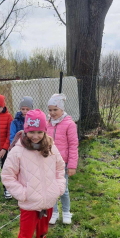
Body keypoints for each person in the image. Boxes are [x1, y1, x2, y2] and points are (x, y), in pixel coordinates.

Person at [0, 109, 66, 238]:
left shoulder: (51, 147)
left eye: (39, 132)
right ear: (26, 130)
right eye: (31, 131)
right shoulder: (18, 151)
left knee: (42, 234)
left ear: (44, 130)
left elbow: (60, 168)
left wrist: (58, 188)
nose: (35, 136)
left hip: (48, 203)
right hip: (29, 206)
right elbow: (7, 176)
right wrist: (23, 194)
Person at [47, 94, 79, 225]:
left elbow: (73, 145)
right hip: (48, 162)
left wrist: (72, 165)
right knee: (51, 188)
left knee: (63, 189)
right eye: (50, 110)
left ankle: (66, 212)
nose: (52, 113)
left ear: (61, 109)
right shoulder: (47, 123)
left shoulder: (69, 124)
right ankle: (54, 212)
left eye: (55, 109)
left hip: (63, 163)